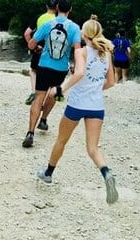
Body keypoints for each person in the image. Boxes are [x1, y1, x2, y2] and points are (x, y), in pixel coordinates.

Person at [35, 16, 119, 204]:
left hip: (77, 104)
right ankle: (106, 173)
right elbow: (112, 82)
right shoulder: (106, 54)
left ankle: (48, 173)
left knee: (61, 140)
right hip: (96, 107)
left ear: (84, 34)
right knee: (92, 148)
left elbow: (80, 73)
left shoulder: (81, 52)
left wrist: (60, 89)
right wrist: (96, 89)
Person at [22, 0, 82, 149]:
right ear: (70, 10)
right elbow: (77, 50)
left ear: (57, 8)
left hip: (44, 65)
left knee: (38, 98)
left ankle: (30, 132)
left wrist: (36, 48)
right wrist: (76, 65)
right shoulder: (75, 28)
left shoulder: (48, 24)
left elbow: (31, 43)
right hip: (61, 69)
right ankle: (44, 119)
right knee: (55, 93)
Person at [23, 0, 58, 105]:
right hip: (53, 51)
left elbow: (27, 33)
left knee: (33, 70)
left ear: (46, 6)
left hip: (39, 49)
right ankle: (46, 99)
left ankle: (34, 92)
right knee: (51, 76)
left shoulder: (39, 18)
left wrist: (32, 47)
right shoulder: (60, 20)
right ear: (57, 7)